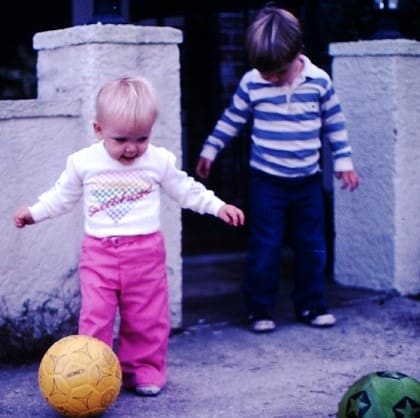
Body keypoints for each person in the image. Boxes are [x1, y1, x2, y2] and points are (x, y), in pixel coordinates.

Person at [14, 76, 245, 396]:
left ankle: (145, 368)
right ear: (98, 130)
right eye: (121, 139)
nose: (132, 148)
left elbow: (185, 189)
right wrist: (35, 212)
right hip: (99, 255)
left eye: (142, 138)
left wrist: (217, 206)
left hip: (146, 253)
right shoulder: (83, 162)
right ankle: (90, 373)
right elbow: (61, 196)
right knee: (95, 318)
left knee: (146, 317)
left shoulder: (158, 160)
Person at [195, 3, 359, 334]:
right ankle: (259, 309)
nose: (270, 78)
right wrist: (211, 149)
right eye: (264, 72)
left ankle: (312, 304)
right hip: (266, 181)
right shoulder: (253, 82)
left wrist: (343, 162)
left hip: (307, 181)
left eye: (277, 72)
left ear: (298, 53)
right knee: (265, 245)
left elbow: (335, 124)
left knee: (312, 244)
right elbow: (233, 118)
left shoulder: (319, 82)